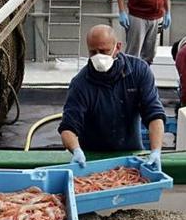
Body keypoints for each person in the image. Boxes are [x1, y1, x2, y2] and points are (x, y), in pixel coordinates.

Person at [58, 25, 166, 170]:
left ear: (118, 47)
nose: (99, 57)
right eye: (93, 52)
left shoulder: (139, 71)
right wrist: (76, 150)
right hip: (92, 158)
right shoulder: (80, 83)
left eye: (104, 51)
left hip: (131, 154)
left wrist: (156, 151)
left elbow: (154, 114)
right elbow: (68, 127)